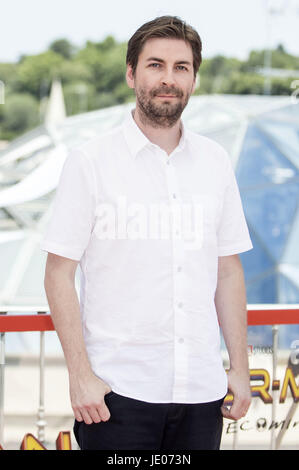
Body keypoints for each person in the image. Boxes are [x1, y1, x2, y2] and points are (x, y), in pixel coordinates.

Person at [41, 15, 253, 450]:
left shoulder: (215, 162)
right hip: (116, 394)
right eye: (155, 65)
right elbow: (58, 273)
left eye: (182, 67)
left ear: (193, 79)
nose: (168, 79)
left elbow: (228, 270)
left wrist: (241, 369)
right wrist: (80, 375)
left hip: (202, 391)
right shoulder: (90, 161)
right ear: (131, 73)